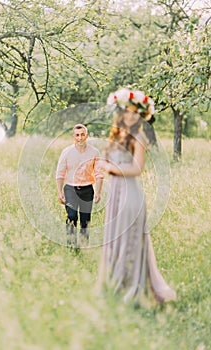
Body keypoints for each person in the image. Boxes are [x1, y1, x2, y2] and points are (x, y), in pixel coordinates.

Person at [98, 88, 176, 305]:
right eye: (127, 112)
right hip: (115, 193)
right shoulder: (117, 134)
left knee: (130, 240)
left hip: (130, 193)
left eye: (135, 113)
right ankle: (116, 285)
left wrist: (111, 168)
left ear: (140, 115)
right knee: (115, 239)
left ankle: (134, 290)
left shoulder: (138, 136)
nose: (131, 116)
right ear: (121, 113)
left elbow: (136, 168)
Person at [56, 123, 104, 246]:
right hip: (70, 189)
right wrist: (60, 192)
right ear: (74, 136)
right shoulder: (66, 152)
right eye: (77, 135)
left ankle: (83, 246)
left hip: (87, 190)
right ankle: (72, 247)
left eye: (82, 135)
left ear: (86, 135)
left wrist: (98, 193)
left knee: (85, 220)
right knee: (71, 217)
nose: (80, 138)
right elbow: (60, 173)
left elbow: (99, 174)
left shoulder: (94, 152)